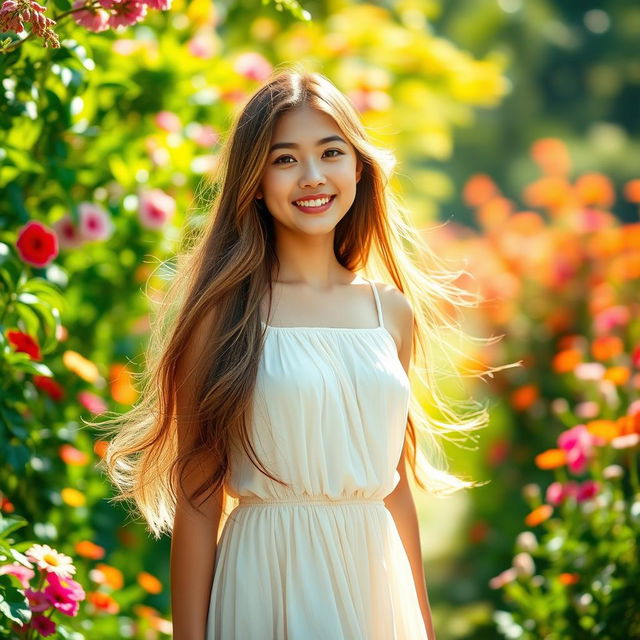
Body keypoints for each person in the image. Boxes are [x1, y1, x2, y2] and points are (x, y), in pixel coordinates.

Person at [94, 65, 517, 639]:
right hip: (266, 579)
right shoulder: (224, 315)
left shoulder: (389, 311)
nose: (313, 177)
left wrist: (422, 624)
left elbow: (391, 484)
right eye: (285, 159)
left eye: (331, 152)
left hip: (374, 582)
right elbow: (198, 499)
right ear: (255, 180)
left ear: (359, 166)